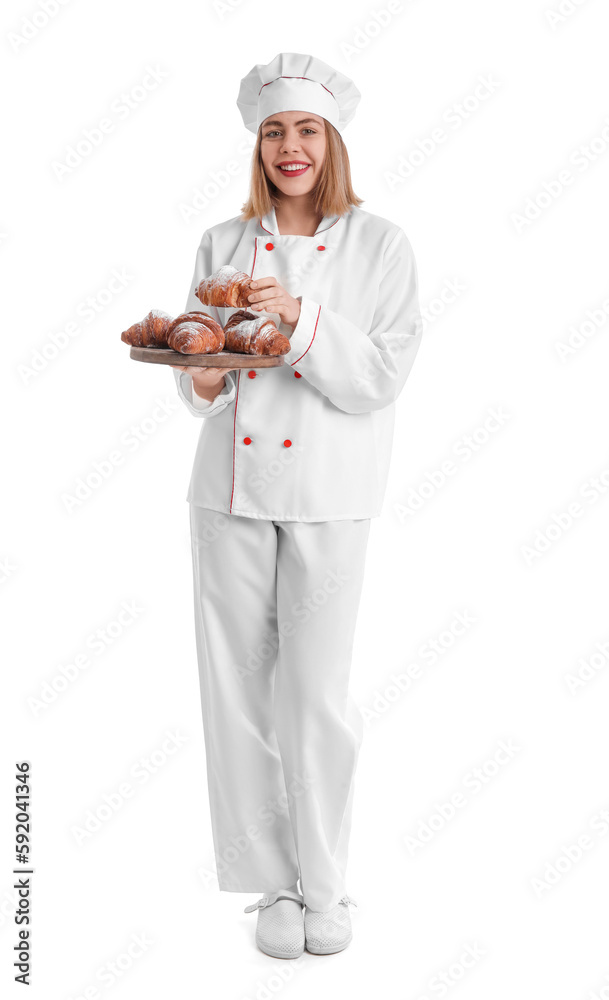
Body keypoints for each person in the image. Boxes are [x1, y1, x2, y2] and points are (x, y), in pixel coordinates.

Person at [170, 51, 423, 959]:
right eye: (274, 130)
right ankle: (273, 887)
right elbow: (203, 375)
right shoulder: (219, 243)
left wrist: (303, 315)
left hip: (330, 494)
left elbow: (380, 376)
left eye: (305, 129)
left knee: (314, 696)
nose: (289, 146)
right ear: (257, 143)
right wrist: (200, 376)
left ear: (332, 140)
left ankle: (327, 884)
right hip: (228, 495)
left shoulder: (380, 245)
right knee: (236, 694)